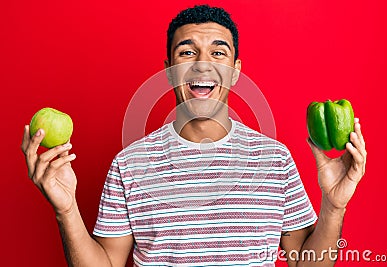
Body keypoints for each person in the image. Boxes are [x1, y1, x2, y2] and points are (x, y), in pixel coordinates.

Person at [21, 5, 367, 267]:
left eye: (218, 52)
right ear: (169, 70)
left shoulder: (274, 160)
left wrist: (335, 207)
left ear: (235, 72)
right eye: (187, 52)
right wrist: (65, 210)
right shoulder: (129, 165)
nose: (203, 64)